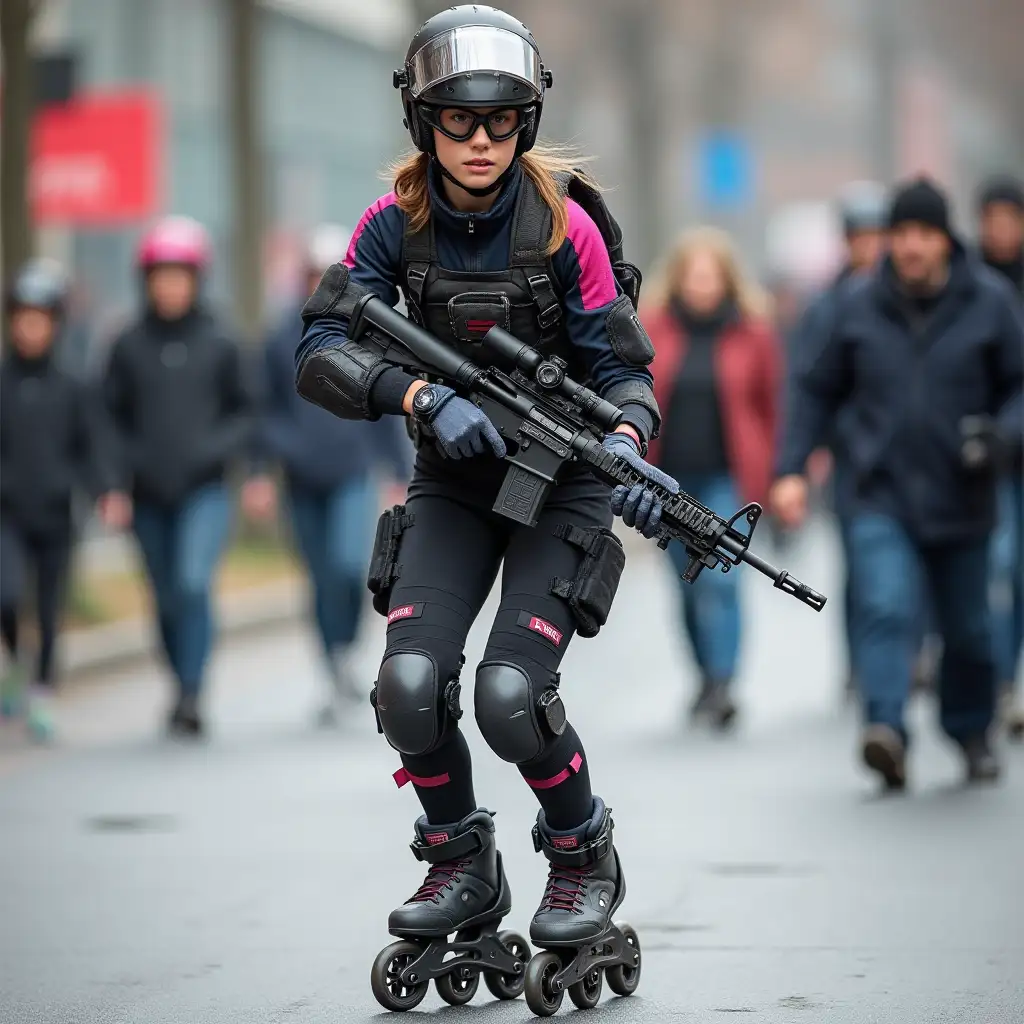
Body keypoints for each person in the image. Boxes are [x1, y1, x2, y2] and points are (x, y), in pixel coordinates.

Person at [295, 6, 667, 1009]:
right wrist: (419, 395)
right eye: (457, 123)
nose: (478, 142)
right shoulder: (391, 226)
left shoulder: (563, 228)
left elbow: (627, 377)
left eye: (498, 123)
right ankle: (460, 858)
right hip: (455, 476)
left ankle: (583, 854)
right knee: (409, 685)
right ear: (425, 124)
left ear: (524, 124)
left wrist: (630, 444)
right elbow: (321, 347)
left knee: (509, 695)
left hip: (566, 479)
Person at [771, 177, 1024, 790]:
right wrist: (791, 470)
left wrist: (1000, 437)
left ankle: (971, 731)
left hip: (963, 494)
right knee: (884, 604)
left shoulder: (988, 301)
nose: (911, 247)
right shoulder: (856, 304)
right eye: (902, 234)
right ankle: (884, 727)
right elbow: (814, 390)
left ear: (945, 239)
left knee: (967, 628)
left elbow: (1019, 386)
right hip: (877, 491)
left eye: (924, 235)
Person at [243, 224, 412, 725]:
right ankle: (332, 662)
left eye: (331, 274)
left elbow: (384, 404)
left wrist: (399, 471)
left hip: (352, 471)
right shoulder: (280, 337)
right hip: (300, 476)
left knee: (346, 566)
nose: (321, 283)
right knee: (318, 577)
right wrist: (261, 469)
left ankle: (346, 646)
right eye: (314, 274)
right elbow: (264, 408)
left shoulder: (368, 335)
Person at [100, 217, 254, 738]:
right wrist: (114, 483)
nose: (169, 286)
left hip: (204, 491)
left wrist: (221, 455)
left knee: (192, 583)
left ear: (196, 279)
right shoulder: (126, 346)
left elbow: (245, 413)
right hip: (146, 494)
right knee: (165, 595)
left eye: (179, 275)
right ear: (146, 280)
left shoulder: (221, 343)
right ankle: (177, 679)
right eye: (160, 276)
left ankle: (192, 690)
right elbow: (107, 419)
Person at [642, 227, 781, 728]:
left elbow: (772, 406)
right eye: (693, 275)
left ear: (727, 280)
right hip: (667, 479)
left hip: (727, 478)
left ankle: (724, 682)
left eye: (711, 276)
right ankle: (703, 674)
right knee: (685, 585)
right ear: (678, 280)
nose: (702, 285)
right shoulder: (655, 328)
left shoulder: (752, 331)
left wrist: (777, 474)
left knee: (720, 581)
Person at [0, 259, 117, 741]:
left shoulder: (73, 386)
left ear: (54, 325)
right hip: (6, 513)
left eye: (39, 320)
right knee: (7, 595)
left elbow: (93, 446)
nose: (30, 330)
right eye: (21, 320)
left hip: (55, 514)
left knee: (48, 609)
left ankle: (42, 691)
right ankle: (14, 668)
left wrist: (105, 491)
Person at [789, 182, 889, 701]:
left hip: (911, 457)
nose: (869, 247)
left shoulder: (910, 297)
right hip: (853, 458)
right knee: (862, 565)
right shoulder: (829, 305)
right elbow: (809, 384)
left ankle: (902, 656)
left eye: (877, 236)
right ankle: (862, 663)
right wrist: (803, 461)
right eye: (861, 237)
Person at [976, 175, 1024, 739]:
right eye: (992, 219)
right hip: (993, 456)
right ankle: (1004, 681)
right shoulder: (973, 284)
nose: (1001, 230)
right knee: (1001, 569)